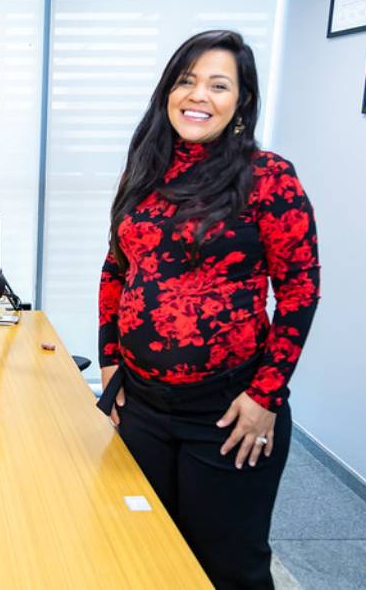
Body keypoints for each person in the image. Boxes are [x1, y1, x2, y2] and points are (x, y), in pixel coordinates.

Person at [97, 30, 319, 589]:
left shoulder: (269, 178)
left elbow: (299, 291)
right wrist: (108, 361)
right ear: (168, 91)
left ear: (241, 101)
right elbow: (116, 270)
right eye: (187, 80)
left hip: (227, 410)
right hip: (142, 404)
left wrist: (266, 396)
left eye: (219, 85)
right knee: (142, 547)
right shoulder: (143, 170)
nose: (199, 95)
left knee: (228, 566)